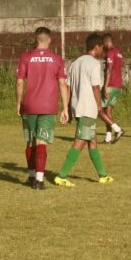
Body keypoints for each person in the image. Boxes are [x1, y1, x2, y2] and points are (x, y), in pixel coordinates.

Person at [54, 34, 116, 187]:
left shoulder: (75, 63)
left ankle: (103, 175)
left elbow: (68, 87)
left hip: (78, 107)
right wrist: (99, 106)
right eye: (101, 47)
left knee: (92, 142)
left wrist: (67, 108)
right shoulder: (94, 64)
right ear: (96, 47)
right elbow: (96, 87)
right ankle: (61, 175)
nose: (102, 50)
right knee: (80, 141)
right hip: (88, 108)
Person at [16, 27, 70, 190]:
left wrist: (18, 102)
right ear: (49, 40)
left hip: (29, 105)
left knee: (30, 142)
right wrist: (65, 108)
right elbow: (62, 84)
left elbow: (20, 82)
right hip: (48, 106)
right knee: (42, 142)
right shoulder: (57, 59)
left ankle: (32, 177)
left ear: (35, 39)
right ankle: (39, 180)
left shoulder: (25, 57)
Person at [101, 33, 125, 144]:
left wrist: (105, 86)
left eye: (103, 44)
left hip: (110, 85)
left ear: (106, 42)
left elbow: (109, 69)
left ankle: (118, 129)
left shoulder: (110, 53)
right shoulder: (119, 53)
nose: (102, 47)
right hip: (118, 86)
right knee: (108, 111)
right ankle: (108, 138)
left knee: (99, 110)